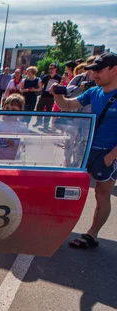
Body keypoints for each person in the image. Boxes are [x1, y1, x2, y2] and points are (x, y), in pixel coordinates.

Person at [51, 53, 117, 249]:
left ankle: (92, 234)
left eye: (98, 70)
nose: (94, 74)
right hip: (85, 148)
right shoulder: (94, 92)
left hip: (107, 154)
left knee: (101, 194)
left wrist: (111, 156)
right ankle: (58, 226)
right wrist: (57, 95)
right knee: (71, 188)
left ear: (115, 70)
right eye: (93, 70)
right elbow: (68, 105)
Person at [0, 94, 29, 161]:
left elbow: (27, 144)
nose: (9, 112)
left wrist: (15, 143)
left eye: (14, 110)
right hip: (0, 161)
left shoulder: (22, 127)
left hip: (16, 162)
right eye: (7, 108)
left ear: (20, 112)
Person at [34, 63, 62, 129]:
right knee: (39, 108)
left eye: (52, 69)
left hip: (51, 97)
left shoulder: (58, 78)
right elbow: (40, 84)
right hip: (44, 95)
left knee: (48, 111)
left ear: (55, 69)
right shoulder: (46, 77)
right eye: (49, 69)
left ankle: (45, 125)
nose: (50, 70)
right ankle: (39, 121)